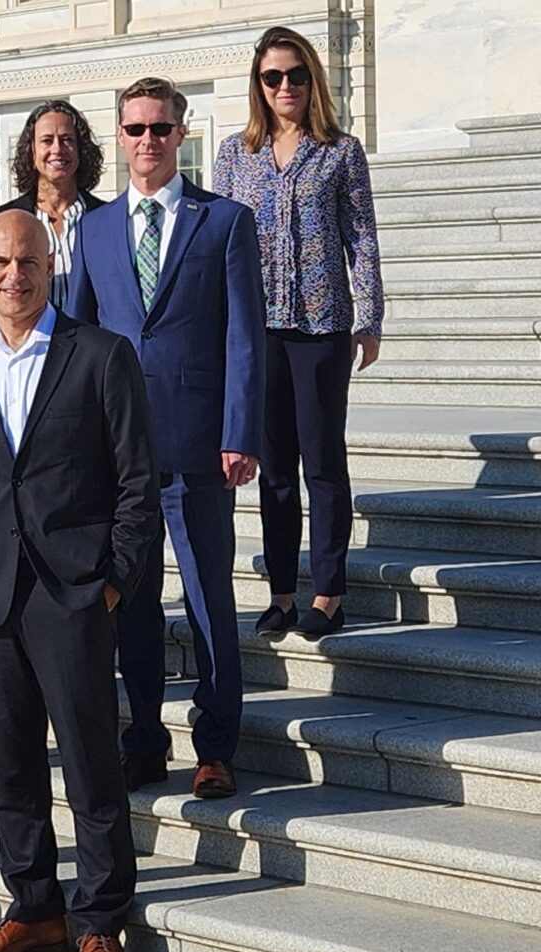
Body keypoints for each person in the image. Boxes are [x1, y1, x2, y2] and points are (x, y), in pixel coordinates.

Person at [0, 210, 160, 952]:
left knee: (93, 767)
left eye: (27, 260)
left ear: (48, 264)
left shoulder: (99, 356)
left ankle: (100, 923)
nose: (13, 275)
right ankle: (33, 909)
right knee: (14, 769)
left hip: (73, 595)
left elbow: (138, 485)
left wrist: (114, 580)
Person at [67, 77, 266, 800]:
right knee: (134, 603)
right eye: (134, 128)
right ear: (117, 137)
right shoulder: (92, 231)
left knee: (211, 599)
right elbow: (78, 340)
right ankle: (144, 740)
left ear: (182, 134)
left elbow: (246, 336)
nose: (147, 141)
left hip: (200, 451)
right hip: (119, 459)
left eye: (159, 128)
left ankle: (215, 746)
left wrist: (239, 430)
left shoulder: (225, 222)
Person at [214, 26, 384, 640]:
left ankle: (329, 592)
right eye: (272, 77)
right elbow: (220, 249)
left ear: (313, 79)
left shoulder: (340, 152)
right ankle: (281, 593)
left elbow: (360, 239)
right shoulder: (235, 154)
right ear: (258, 86)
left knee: (323, 462)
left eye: (295, 74)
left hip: (321, 326)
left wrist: (370, 318)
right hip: (258, 331)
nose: (285, 86)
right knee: (275, 468)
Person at [0, 100, 106, 308]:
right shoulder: (4, 219)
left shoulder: (106, 218)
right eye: (47, 141)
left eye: (67, 140)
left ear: (80, 150)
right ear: (32, 151)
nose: (57, 149)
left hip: (93, 337)